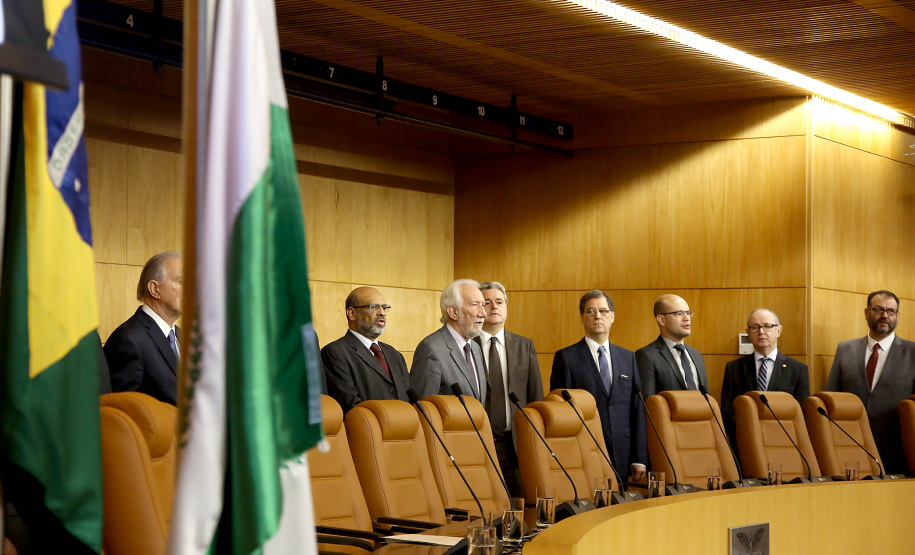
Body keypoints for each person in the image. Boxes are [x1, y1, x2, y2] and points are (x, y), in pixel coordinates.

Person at [550, 290, 647, 480]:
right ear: (582, 318)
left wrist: (640, 458)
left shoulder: (628, 357)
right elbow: (561, 412)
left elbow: (637, 410)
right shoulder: (566, 358)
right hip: (584, 450)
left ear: (612, 316)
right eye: (591, 311)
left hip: (623, 452)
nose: (598, 316)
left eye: (603, 311)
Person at [825, 290, 915, 474]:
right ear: (866, 312)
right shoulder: (845, 349)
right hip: (850, 446)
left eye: (891, 311)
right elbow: (832, 397)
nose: (884, 315)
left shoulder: (912, 352)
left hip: (897, 448)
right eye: (879, 309)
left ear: (898, 315)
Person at [474, 281, 544, 497]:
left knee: (520, 505)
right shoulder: (468, 345)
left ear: (506, 307)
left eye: (499, 302)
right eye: (487, 302)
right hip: (479, 442)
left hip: (515, 444)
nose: (494, 307)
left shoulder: (525, 346)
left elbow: (535, 398)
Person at [720, 308, 809, 446]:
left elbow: (801, 412)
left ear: (778, 331)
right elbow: (728, 411)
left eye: (767, 326)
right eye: (755, 327)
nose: (761, 332)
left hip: (785, 442)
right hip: (746, 443)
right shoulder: (734, 368)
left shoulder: (797, 369)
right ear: (748, 332)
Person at [105, 251, 182, 405]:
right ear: (155, 289)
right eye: (181, 282)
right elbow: (123, 414)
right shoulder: (128, 339)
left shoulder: (184, 336)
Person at [321, 287, 412, 413]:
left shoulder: (395, 355)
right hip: (368, 430)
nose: (382, 313)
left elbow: (410, 400)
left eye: (384, 307)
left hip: (406, 429)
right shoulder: (335, 353)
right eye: (374, 307)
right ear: (352, 313)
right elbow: (351, 406)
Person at [411, 279, 487, 402]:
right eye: (474, 304)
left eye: (483, 305)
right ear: (453, 312)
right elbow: (423, 409)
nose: (483, 313)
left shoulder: (475, 348)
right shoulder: (431, 348)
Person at [635, 294, 708, 398]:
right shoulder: (646, 356)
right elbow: (648, 403)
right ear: (661, 320)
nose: (686, 318)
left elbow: (707, 399)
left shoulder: (696, 355)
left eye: (688, 313)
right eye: (679, 314)